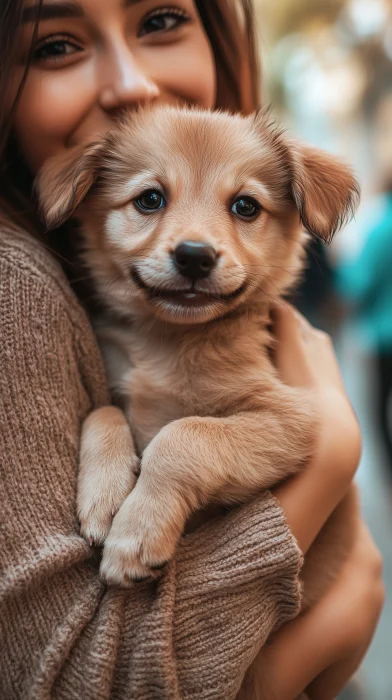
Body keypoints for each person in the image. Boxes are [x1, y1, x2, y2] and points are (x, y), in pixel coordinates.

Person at [0, 1, 384, 698]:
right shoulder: (37, 299)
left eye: (244, 208)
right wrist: (106, 429)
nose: (196, 242)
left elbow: (298, 429)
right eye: (150, 200)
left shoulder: (259, 341)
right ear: (84, 207)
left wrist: (175, 464)